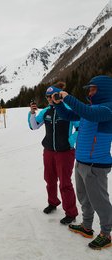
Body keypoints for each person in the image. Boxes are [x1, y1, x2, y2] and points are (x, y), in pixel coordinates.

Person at [53, 75, 112, 250]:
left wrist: (66, 96)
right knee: (84, 197)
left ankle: (106, 233)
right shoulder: (90, 108)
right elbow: (69, 115)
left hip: (96, 165)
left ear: (103, 89)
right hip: (82, 162)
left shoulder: (108, 109)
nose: (89, 92)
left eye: (92, 88)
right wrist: (58, 104)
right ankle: (87, 227)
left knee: (99, 201)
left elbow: (89, 114)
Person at [28, 83, 79, 224]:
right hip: (49, 151)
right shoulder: (46, 111)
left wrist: (70, 141)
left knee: (65, 183)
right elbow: (34, 126)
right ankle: (52, 202)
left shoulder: (69, 110)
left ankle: (71, 212)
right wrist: (32, 113)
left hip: (65, 152)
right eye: (47, 97)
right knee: (49, 180)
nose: (49, 99)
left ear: (59, 96)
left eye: (52, 96)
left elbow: (80, 128)